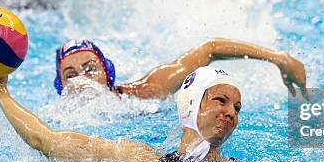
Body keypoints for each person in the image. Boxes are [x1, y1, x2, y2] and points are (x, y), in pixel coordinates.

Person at [0, 66, 257, 162]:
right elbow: (46, 141)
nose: (230, 112)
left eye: (237, 107)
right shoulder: (139, 157)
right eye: (220, 100)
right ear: (191, 103)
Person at [54, 38, 308, 100]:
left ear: (107, 73)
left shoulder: (145, 91)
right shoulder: (58, 120)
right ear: (61, 86)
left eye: (90, 69)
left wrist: (279, 58)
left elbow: (210, 48)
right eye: (71, 75)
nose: (82, 80)